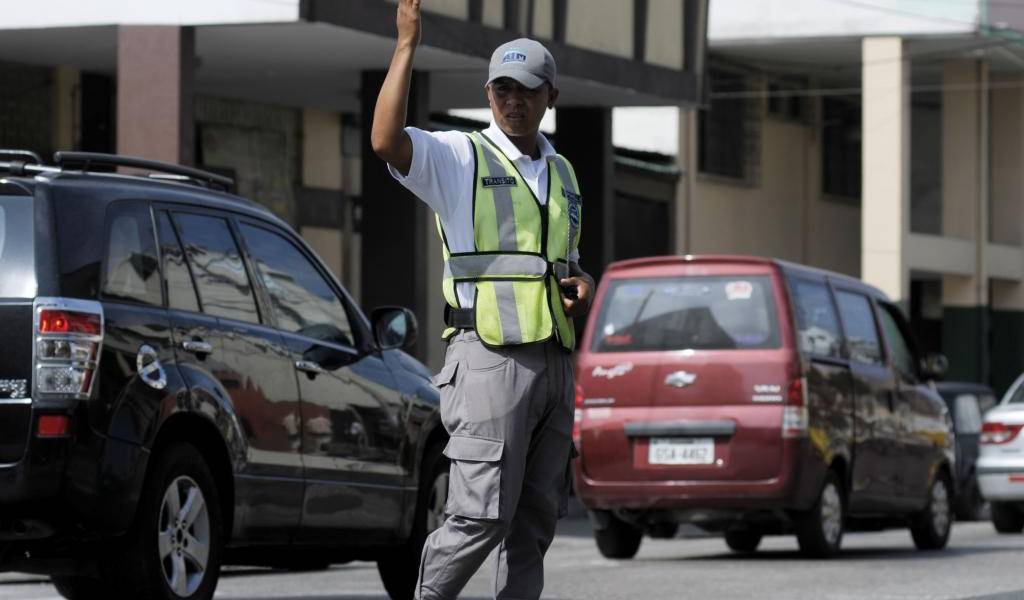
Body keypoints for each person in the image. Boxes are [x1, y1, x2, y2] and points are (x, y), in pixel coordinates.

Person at [371, 0, 595, 598]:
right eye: (501, 89)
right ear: (487, 93)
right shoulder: (460, 156)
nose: (512, 100)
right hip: (489, 358)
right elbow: (385, 140)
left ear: (550, 94)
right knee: (480, 514)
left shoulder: (564, 172)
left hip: (553, 361)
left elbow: (558, 263)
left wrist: (583, 284)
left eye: (524, 89)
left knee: (536, 520)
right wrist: (406, 45)